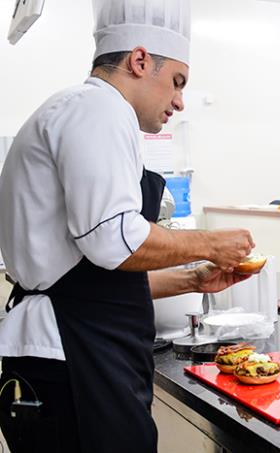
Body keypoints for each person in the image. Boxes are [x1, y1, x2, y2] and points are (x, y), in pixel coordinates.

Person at [0, 1, 256, 452]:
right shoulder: (97, 108)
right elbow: (112, 240)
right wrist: (211, 243)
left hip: (74, 343)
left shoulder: (83, 111)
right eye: (177, 82)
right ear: (139, 61)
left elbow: (89, 277)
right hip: (75, 358)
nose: (179, 100)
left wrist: (193, 278)